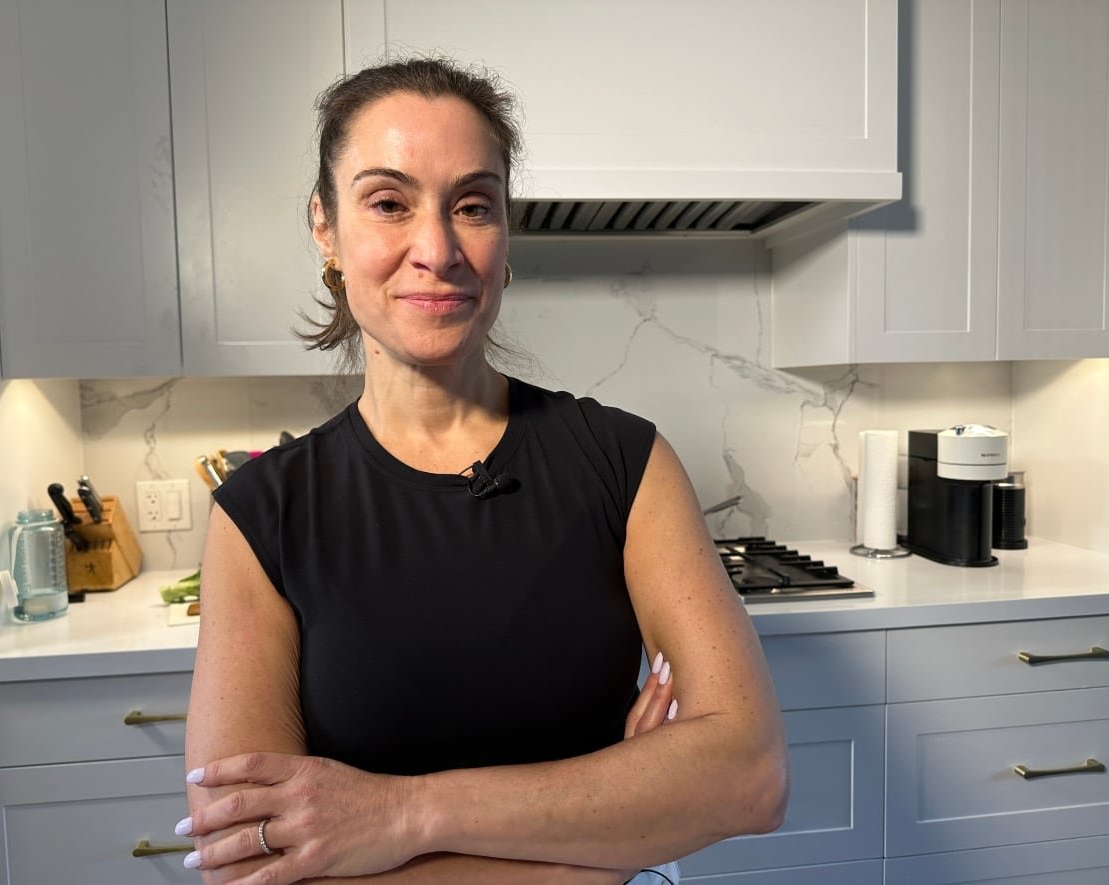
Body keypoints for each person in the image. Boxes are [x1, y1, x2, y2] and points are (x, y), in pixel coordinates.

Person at [177, 56, 788, 885]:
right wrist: (601, 851)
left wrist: (400, 815)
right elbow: (253, 863)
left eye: (472, 206)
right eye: (388, 202)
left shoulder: (625, 461)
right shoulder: (260, 516)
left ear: (505, 237)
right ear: (326, 228)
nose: (436, 249)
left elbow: (748, 775)